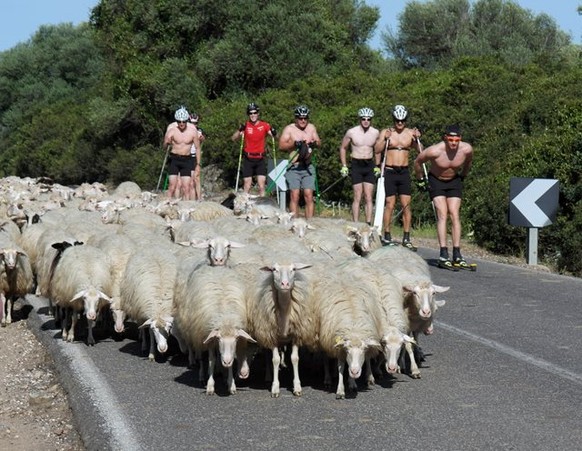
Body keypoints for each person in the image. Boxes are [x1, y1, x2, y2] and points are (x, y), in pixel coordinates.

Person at [414, 124, 473, 268]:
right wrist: (421, 180)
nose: (454, 143)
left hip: (454, 180)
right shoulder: (435, 151)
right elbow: (417, 162)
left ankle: (457, 253)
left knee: (454, 214)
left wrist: (463, 175)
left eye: (456, 140)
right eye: (451, 140)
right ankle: (443, 253)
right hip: (436, 180)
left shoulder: (466, 149)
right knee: (442, 213)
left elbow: (469, 162)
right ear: (445, 138)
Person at [374, 104, 422, 249]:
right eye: (397, 121)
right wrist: (384, 139)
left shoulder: (410, 133)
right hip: (389, 171)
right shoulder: (387, 132)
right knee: (390, 204)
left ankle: (406, 237)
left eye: (402, 121)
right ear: (394, 120)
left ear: (406, 120)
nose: (400, 123)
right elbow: (376, 150)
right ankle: (387, 234)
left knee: (406, 205)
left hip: (404, 171)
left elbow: (421, 151)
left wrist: (417, 139)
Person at [278, 105, 321, 220]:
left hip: (307, 166)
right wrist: (293, 144)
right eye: (300, 118)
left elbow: (319, 142)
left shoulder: (311, 128)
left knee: (308, 195)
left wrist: (314, 144)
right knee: (295, 195)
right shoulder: (289, 129)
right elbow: (281, 146)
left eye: (305, 118)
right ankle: (294, 222)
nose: (303, 120)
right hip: (294, 166)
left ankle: (310, 222)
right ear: (296, 118)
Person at [339, 107, 380, 223]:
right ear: (360, 119)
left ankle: (368, 222)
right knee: (357, 195)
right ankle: (356, 223)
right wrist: (344, 165)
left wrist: (377, 166)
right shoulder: (352, 132)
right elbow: (343, 148)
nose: (366, 121)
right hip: (356, 164)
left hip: (369, 164)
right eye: (363, 119)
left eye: (368, 119)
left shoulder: (375, 132)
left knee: (368, 196)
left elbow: (377, 150)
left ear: (371, 120)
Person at [231, 103, 276, 196]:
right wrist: (240, 130)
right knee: (247, 185)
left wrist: (275, 133)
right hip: (248, 158)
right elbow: (233, 138)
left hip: (260, 159)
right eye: (250, 113)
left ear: (258, 113)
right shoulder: (246, 125)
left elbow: (275, 136)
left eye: (255, 113)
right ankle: (243, 206)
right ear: (248, 114)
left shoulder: (264, 125)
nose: (253, 115)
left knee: (262, 185)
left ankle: (262, 207)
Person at [163, 106, 200, 200]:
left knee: (186, 187)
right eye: (179, 121)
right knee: (172, 186)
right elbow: (164, 147)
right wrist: (166, 142)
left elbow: (197, 148)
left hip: (186, 160)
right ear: (177, 121)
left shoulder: (192, 131)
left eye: (184, 121)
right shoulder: (172, 131)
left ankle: (185, 207)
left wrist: (198, 164)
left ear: (187, 120)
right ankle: (168, 206)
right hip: (174, 159)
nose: (182, 123)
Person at [189, 112, 206, 200]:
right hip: (186, 156)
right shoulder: (185, 130)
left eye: (195, 123)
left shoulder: (199, 131)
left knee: (197, 178)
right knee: (188, 181)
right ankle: (190, 199)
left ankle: (199, 198)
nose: (194, 125)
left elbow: (203, 139)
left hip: (195, 156)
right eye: (192, 123)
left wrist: (202, 138)